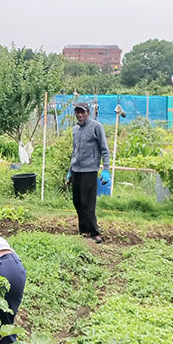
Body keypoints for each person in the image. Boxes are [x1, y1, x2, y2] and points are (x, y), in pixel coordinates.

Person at [66, 101, 110, 244]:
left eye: (82, 112)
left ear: (88, 113)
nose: (79, 115)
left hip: (89, 170)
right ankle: (83, 230)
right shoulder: (75, 129)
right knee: (77, 202)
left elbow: (104, 149)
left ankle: (94, 232)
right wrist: (70, 171)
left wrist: (106, 169)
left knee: (88, 203)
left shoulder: (96, 127)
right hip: (77, 170)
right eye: (77, 112)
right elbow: (74, 151)